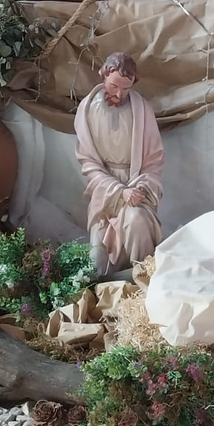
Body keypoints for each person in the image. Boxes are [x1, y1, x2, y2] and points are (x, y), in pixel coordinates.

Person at [74, 52, 165, 273]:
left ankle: (142, 277)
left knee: (137, 221)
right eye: (114, 85)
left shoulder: (142, 109)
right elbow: (89, 164)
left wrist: (141, 187)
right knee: (97, 261)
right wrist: (118, 191)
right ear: (103, 75)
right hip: (105, 191)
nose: (119, 94)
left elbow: (154, 159)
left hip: (136, 185)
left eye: (126, 88)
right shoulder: (87, 111)